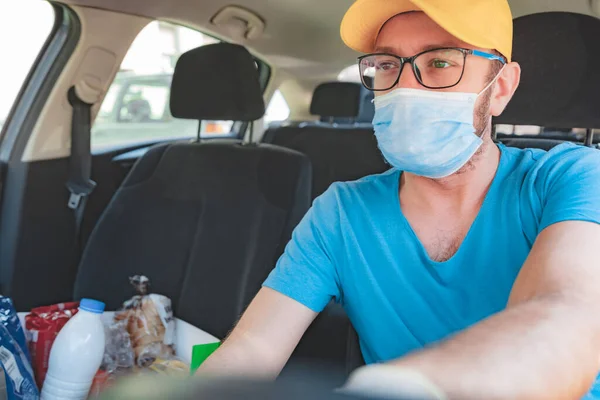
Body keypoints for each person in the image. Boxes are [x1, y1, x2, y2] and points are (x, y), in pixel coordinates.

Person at [198, 0, 600, 399]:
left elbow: (567, 314)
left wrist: (410, 388)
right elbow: (254, 348)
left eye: (440, 63)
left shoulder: (571, 178)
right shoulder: (340, 213)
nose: (405, 87)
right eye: (388, 65)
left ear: (501, 89)